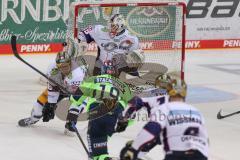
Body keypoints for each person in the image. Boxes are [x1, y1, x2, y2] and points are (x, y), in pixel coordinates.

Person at [120, 77, 209, 160]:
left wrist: (134, 148)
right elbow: (205, 138)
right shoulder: (196, 111)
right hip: (200, 154)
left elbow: (151, 129)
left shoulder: (165, 108)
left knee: (134, 150)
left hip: (174, 150)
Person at [66, 60, 133, 160]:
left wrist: (71, 108)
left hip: (97, 113)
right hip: (113, 116)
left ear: (102, 71)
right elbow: (131, 105)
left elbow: (76, 99)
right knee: (100, 149)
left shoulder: (92, 79)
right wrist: (125, 119)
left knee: (95, 154)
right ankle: (102, 156)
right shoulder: (123, 85)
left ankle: (100, 157)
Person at [18, 48, 86, 134]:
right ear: (57, 66)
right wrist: (51, 105)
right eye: (61, 67)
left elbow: (76, 94)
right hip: (59, 87)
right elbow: (52, 87)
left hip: (76, 90)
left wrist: (72, 115)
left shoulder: (77, 73)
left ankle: (70, 124)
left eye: (66, 66)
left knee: (78, 104)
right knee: (40, 104)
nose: (64, 69)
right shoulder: (52, 69)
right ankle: (33, 118)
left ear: (70, 63)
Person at [76, 13, 144, 76]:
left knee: (133, 82)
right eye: (109, 24)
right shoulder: (99, 30)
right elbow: (82, 34)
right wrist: (82, 42)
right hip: (101, 67)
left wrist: (134, 63)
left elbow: (137, 58)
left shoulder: (132, 38)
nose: (109, 27)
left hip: (121, 69)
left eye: (113, 26)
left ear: (120, 26)